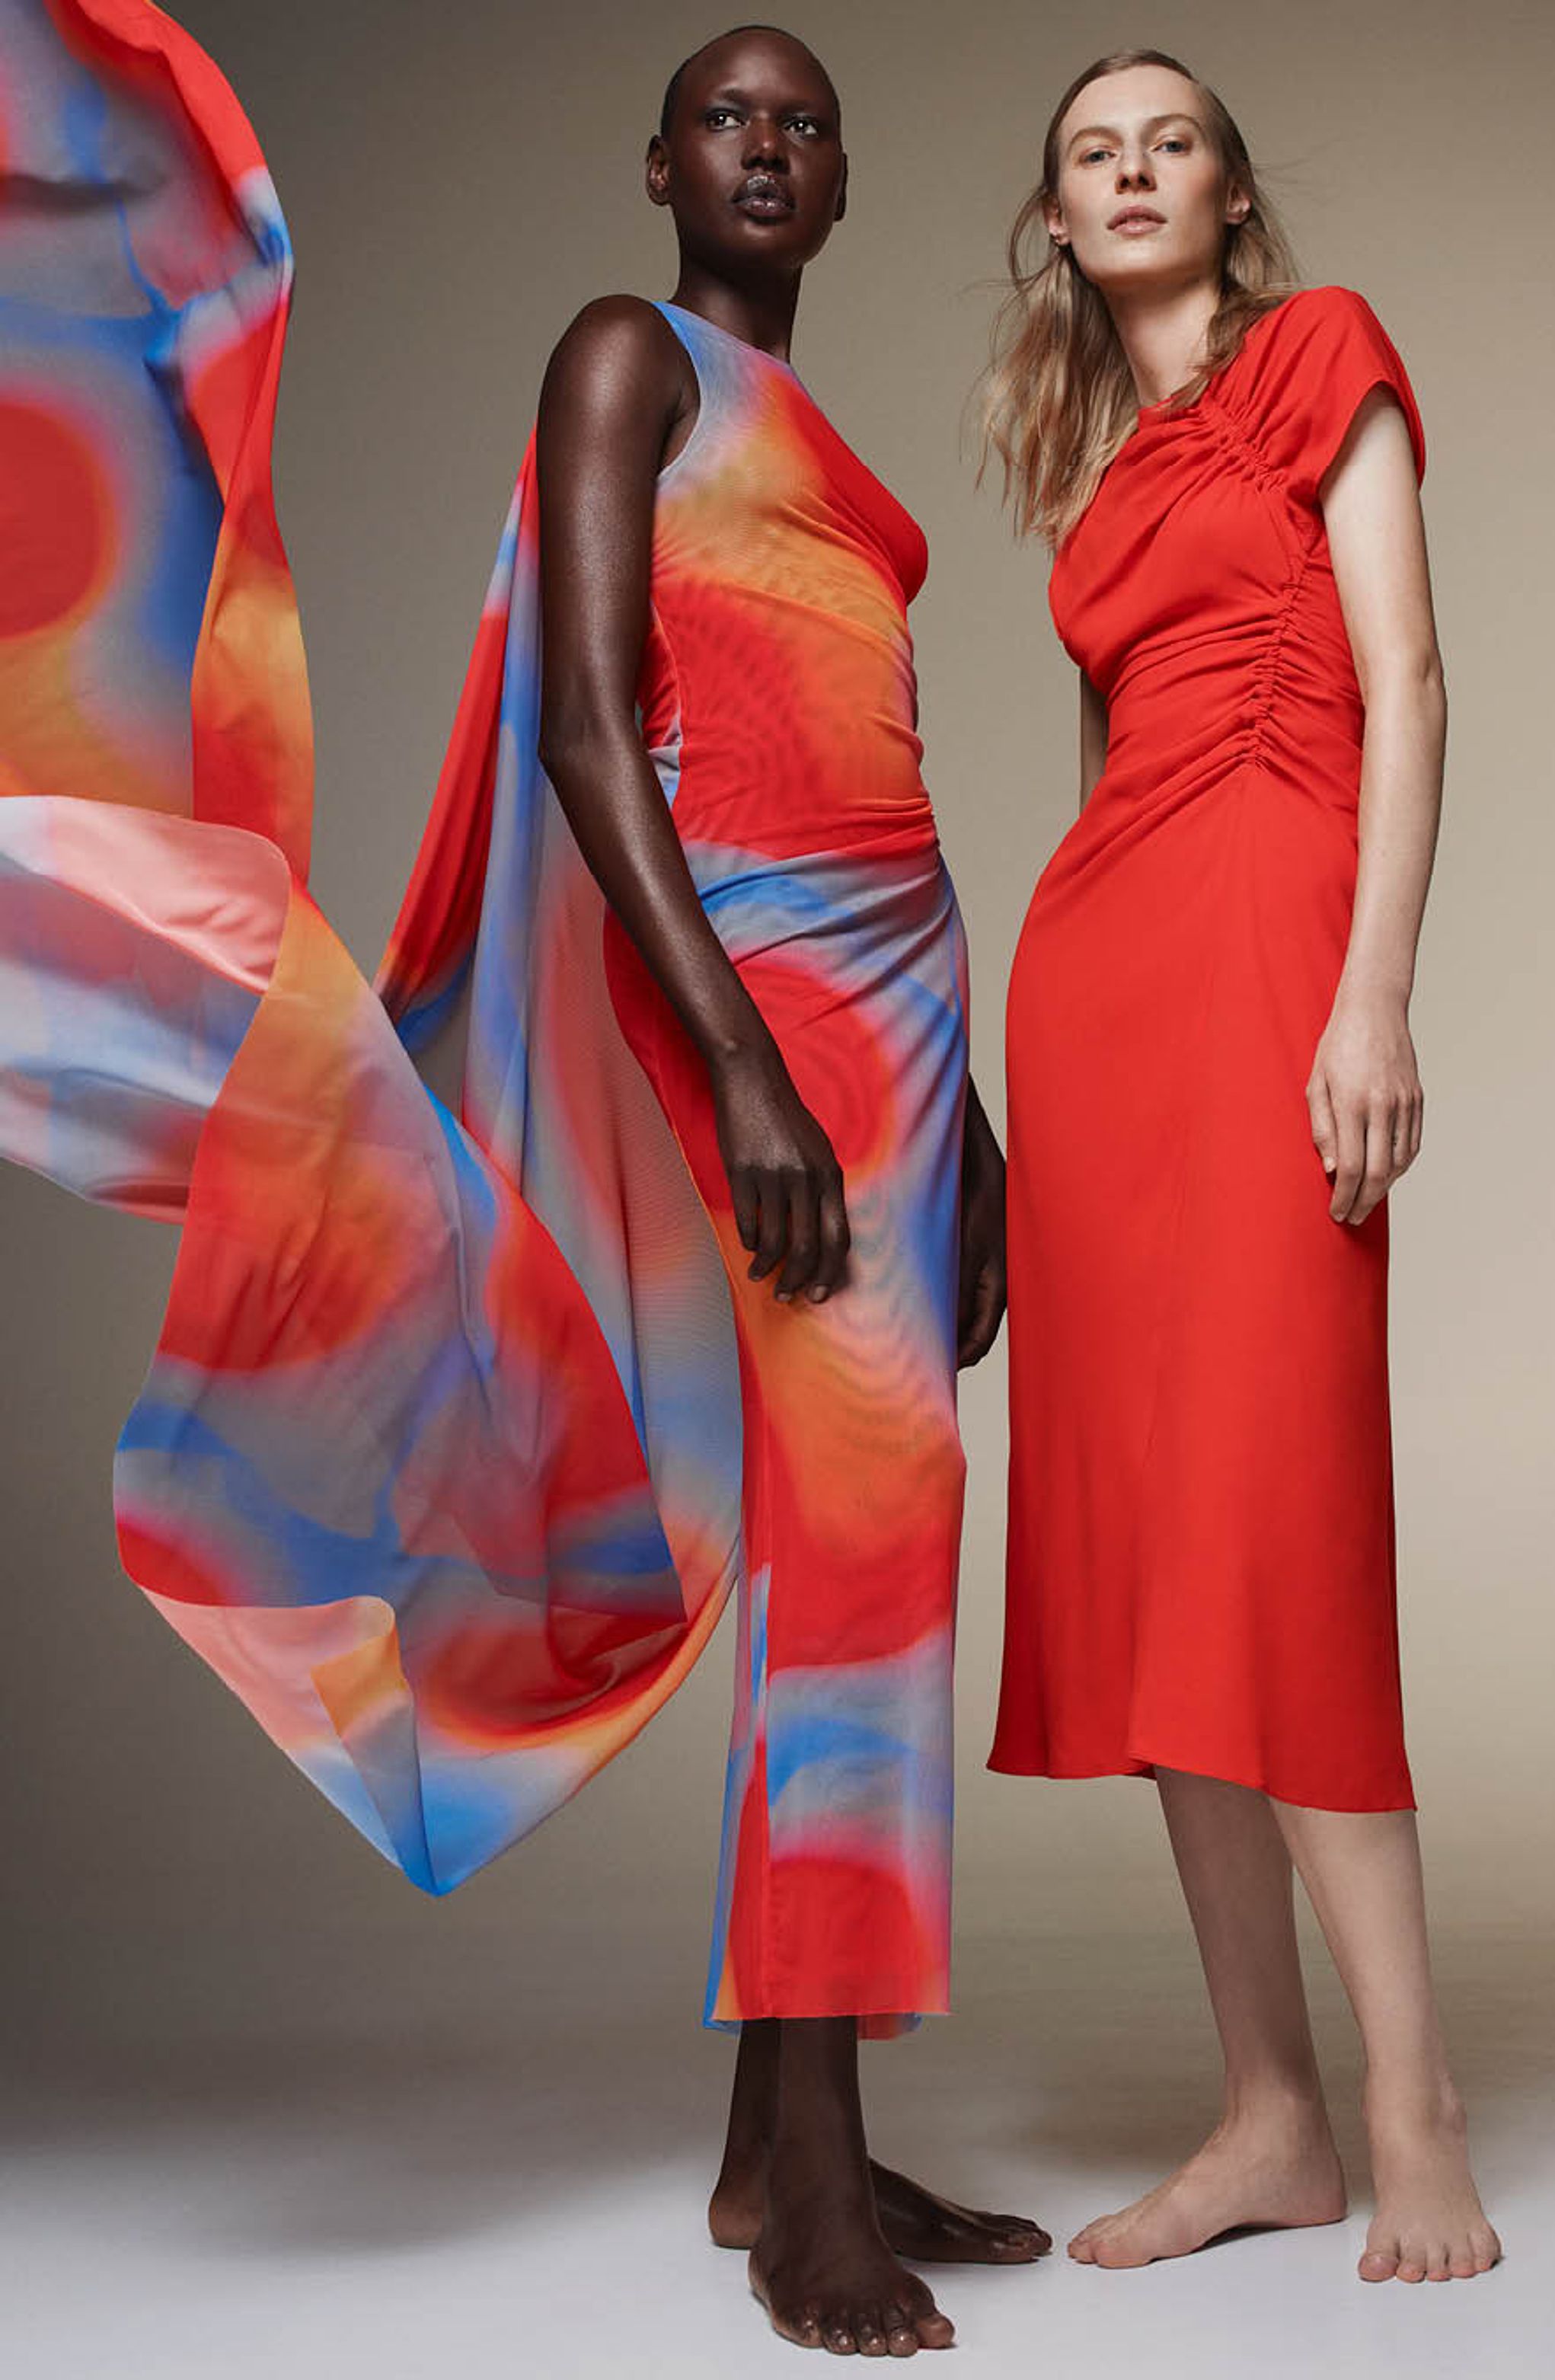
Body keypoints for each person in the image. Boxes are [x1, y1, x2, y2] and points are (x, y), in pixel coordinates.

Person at [0, 2, 1043, 2355]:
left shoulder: (826, 444)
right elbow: (594, 727)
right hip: (757, 999)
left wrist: (955, 1108)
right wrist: (749, 1073)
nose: (765, 146)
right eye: (726, 117)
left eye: (806, 125)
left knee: (854, 1540)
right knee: (865, 1543)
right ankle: (803, 2201)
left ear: (845, 186)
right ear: (658, 162)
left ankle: (789, 2140)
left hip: (895, 1003)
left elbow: (880, 770)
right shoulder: (626, 363)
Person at [979, 49, 1502, 2286]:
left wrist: (1372, 992)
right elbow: (1104, 780)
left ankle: (1407, 2099)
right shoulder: (1085, 486)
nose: (1128, 171)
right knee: (1157, 1551)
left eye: (1165, 140)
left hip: (1280, 950)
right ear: (1056, 213)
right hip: (1102, 997)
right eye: (1090, 150)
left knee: (1276, 1511)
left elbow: (1406, 671)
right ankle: (1267, 2113)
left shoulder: (1321, 354)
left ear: (1226, 190)